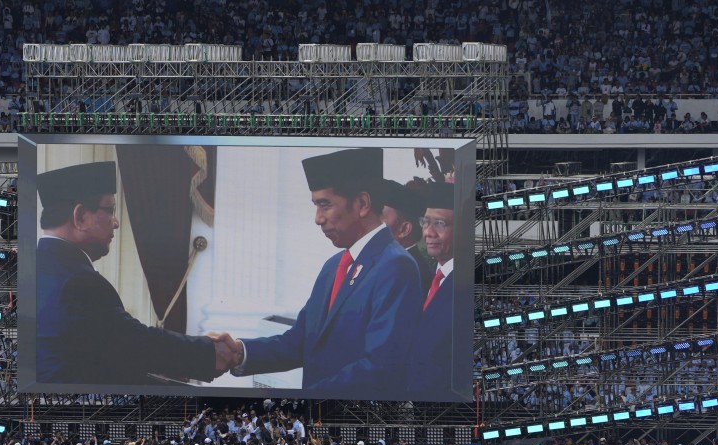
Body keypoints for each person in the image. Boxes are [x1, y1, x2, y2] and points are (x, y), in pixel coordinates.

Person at [219, 148, 423, 399]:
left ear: (362, 204)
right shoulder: (334, 266)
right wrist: (239, 353)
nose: (318, 219)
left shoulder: (397, 266)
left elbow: (379, 368)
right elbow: (301, 341)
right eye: (316, 206)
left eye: (325, 205)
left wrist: (301, 404)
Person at [33, 161, 235, 385]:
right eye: (110, 210)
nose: (116, 223)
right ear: (80, 217)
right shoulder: (79, 281)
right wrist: (209, 352)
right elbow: (137, 345)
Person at [398, 181, 459, 400]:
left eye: (440, 224)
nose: (429, 233)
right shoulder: (426, 277)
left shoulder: (464, 286)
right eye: (425, 222)